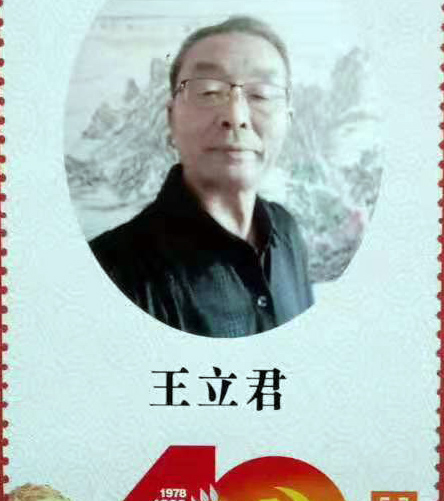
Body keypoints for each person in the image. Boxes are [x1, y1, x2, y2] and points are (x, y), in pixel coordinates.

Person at [90, 17, 313, 336]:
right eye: (209, 92)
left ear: (287, 121)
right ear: (171, 119)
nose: (236, 116)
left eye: (262, 94)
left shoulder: (287, 231)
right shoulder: (111, 271)